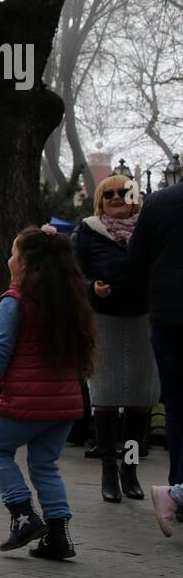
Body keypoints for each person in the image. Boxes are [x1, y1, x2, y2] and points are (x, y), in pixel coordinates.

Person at [0, 227, 95, 560]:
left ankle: (23, 515)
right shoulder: (68, 299)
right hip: (65, 403)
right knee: (45, 465)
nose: (9, 259)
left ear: (26, 263)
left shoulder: (14, 301)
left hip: (26, 400)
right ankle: (58, 536)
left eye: (14, 253)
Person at [72, 175, 156, 503]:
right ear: (100, 200)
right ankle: (108, 470)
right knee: (104, 398)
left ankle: (130, 470)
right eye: (109, 194)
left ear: (136, 197)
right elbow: (72, 274)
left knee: (139, 400)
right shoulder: (87, 230)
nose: (117, 197)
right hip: (103, 320)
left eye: (124, 192)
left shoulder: (148, 230)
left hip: (143, 319)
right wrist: (91, 287)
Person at [125, 171, 183, 502]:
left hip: (168, 314)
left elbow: (137, 260)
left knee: (176, 403)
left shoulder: (158, 202)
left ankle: (178, 485)